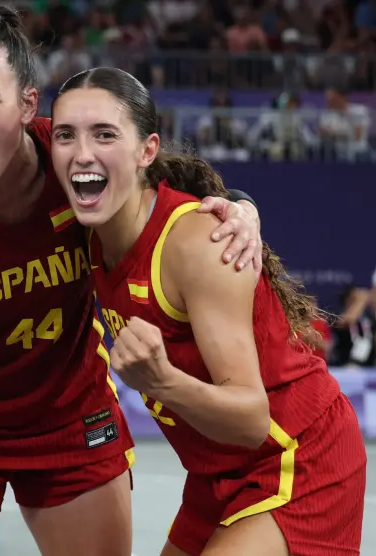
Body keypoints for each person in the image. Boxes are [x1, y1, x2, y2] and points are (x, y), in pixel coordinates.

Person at [0, 6, 264, 556]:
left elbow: (173, 192)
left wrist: (243, 208)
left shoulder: (76, 157)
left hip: (70, 417)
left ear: (28, 104)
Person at [50, 66, 367, 556]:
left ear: (146, 151)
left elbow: (251, 419)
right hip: (216, 470)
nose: (82, 153)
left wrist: (159, 381)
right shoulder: (87, 223)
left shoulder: (196, 245)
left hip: (297, 456)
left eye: (105, 134)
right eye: (66, 135)